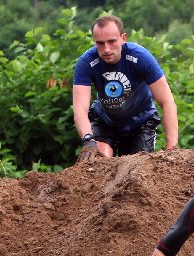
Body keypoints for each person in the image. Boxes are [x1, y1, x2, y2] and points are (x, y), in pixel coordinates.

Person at [73, 14, 179, 160]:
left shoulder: (141, 57)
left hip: (141, 122)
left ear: (123, 38)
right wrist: (88, 139)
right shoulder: (86, 62)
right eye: (100, 43)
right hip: (105, 121)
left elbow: (167, 101)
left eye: (111, 41)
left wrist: (172, 149)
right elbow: (80, 108)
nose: (106, 49)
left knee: (136, 168)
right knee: (98, 161)